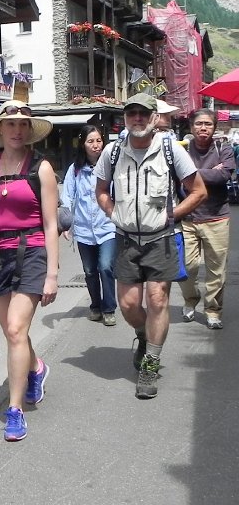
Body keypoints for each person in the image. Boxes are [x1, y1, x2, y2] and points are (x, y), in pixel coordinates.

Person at [95, 93, 206, 399]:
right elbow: (101, 190)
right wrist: (112, 212)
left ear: (155, 118)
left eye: (144, 113)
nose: (138, 118)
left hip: (161, 239)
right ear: (125, 118)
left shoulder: (170, 149)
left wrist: (172, 215)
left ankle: (151, 363)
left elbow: (198, 191)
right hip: (126, 239)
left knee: (157, 300)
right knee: (129, 305)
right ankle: (145, 337)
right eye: (132, 113)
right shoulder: (112, 152)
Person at [0, 100, 58, 442]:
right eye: (11, 124)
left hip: (32, 252)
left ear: (29, 129)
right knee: (12, 332)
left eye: (23, 124)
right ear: (0, 129)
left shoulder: (41, 168)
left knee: (17, 328)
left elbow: (50, 224)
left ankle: (15, 409)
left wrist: (52, 273)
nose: (17, 130)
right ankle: (36, 367)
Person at [179, 108, 235, 330]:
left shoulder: (223, 148)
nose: (203, 128)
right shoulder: (182, 150)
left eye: (208, 124)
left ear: (214, 127)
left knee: (216, 271)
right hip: (188, 217)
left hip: (217, 218)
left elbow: (224, 175)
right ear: (191, 127)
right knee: (187, 266)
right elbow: (176, 175)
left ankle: (213, 310)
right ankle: (190, 300)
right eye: (199, 124)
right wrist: (210, 170)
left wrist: (192, 172)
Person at [61, 125, 117, 326]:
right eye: (90, 141)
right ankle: (95, 306)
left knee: (105, 267)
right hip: (84, 229)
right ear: (83, 144)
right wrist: (65, 223)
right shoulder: (75, 169)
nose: (95, 145)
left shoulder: (111, 166)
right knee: (90, 270)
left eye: (98, 141)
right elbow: (67, 196)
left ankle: (109, 308)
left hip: (108, 226)